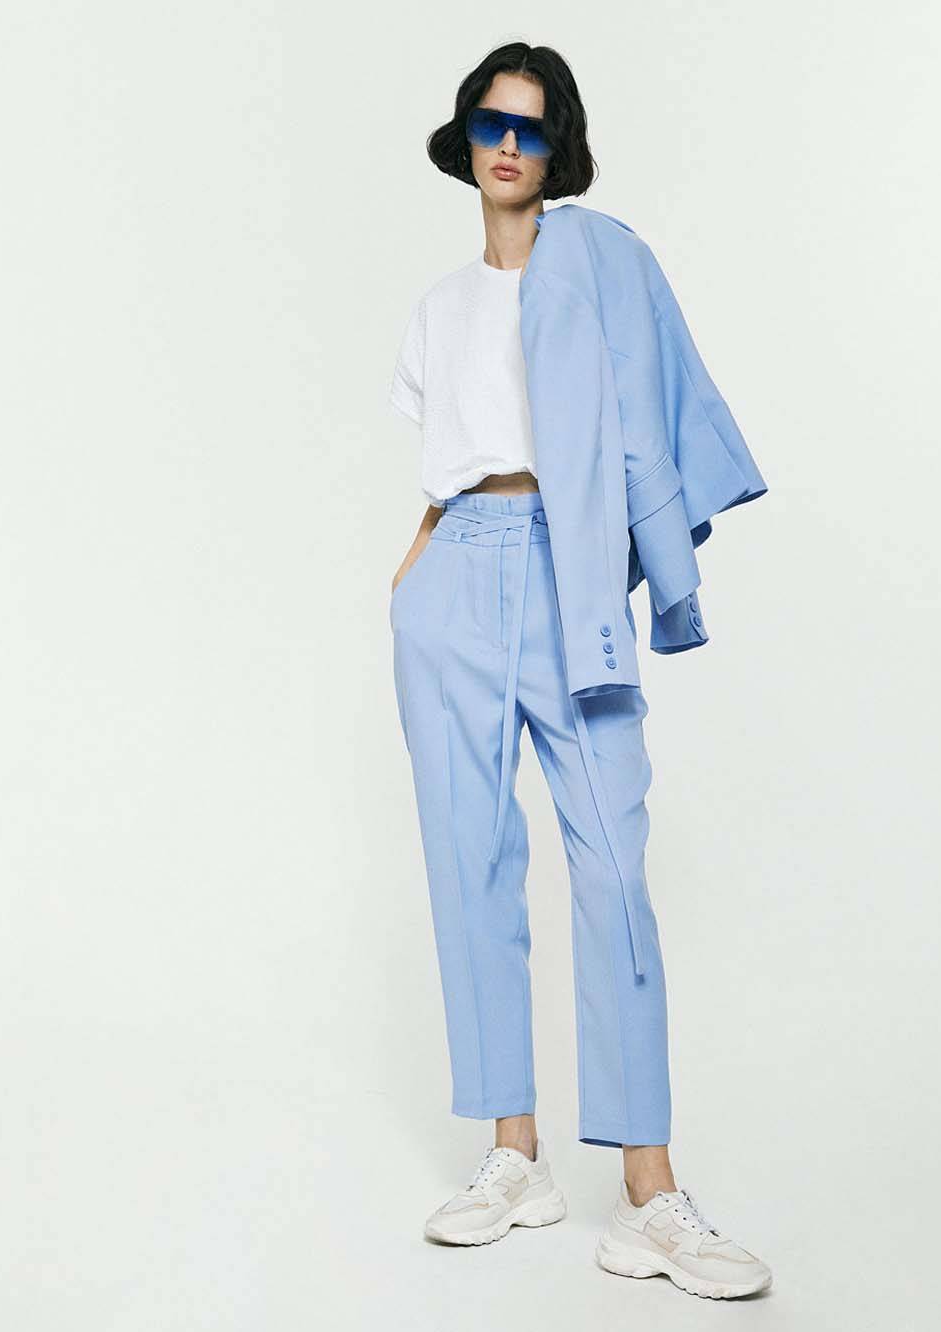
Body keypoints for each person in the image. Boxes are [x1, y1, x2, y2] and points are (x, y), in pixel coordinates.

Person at [387, 42, 772, 1300]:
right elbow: (453, 456)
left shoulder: (600, 265)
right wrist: (415, 570)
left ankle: (650, 1194)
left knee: (610, 865)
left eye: (533, 128)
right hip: (456, 566)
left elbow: (641, 415)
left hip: (568, 564)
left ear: (560, 148)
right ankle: (515, 1155)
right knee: (469, 861)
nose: (509, 146)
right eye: (491, 124)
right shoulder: (439, 307)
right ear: (465, 137)